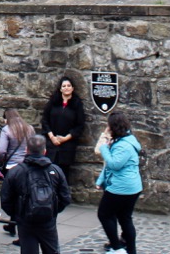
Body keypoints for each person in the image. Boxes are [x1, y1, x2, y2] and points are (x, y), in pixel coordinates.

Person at [1, 134, 71, 254]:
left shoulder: (16, 172)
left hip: (25, 221)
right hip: (48, 221)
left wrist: (19, 214)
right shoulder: (56, 171)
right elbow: (65, 198)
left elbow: (6, 200)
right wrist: (52, 211)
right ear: (44, 151)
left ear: (27, 150)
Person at [95, 109, 142, 254]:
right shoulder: (125, 140)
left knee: (104, 214)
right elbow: (111, 166)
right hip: (130, 187)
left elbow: (114, 164)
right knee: (124, 217)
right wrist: (101, 180)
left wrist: (104, 147)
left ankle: (117, 247)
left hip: (122, 187)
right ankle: (129, 250)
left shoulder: (124, 145)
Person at [0, 109, 35, 239]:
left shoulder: (7, 130)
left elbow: (0, 151)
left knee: (12, 198)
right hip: (27, 166)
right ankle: (12, 224)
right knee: (23, 197)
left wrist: (1, 161)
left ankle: (20, 229)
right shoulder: (29, 128)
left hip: (12, 168)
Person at [41, 75, 86, 183]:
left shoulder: (77, 104)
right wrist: (52, 137)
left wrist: (65, 138)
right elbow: (44, 120)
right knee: (49, 173)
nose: (66, 87)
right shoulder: (53, 102)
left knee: (63, 176)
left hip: (67, 146)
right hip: (52, 144)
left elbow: (80, 126)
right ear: (60, 88)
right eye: (64, 86)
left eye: (69, 85)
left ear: (72, 88)